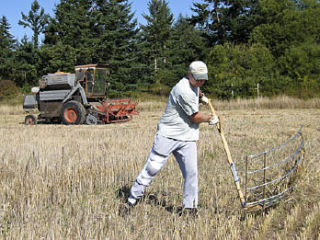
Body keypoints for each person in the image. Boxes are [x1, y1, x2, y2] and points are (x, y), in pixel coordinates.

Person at [121, 61, 219, 216]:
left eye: (203, 79)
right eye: (198, 79)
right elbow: (194, 117)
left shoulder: (195, 85)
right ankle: (131, 201)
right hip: (168, 136)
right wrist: (210, 118)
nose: (200, 82)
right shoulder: (182, 90)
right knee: (152, 169)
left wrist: (202, 97)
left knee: (191, 173)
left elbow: (197, 90)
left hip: (187, 137)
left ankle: (190, 208)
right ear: (189, 74)